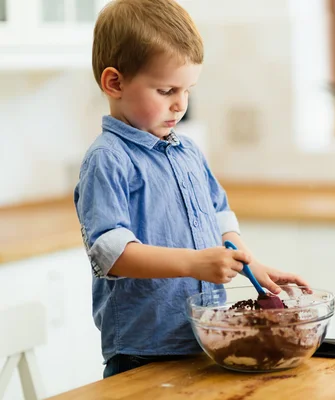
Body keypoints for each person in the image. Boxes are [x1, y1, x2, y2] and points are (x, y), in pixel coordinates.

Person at [74, 0, 309, 378]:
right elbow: (112, 254)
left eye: (187, 90)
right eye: (166, 90)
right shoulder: (109, 159)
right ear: (114, 82)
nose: (180, 104)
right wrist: (194, 263)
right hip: (143, 351)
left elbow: (219, 217)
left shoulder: (187, 151)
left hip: (204, 338)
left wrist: (250, 265)